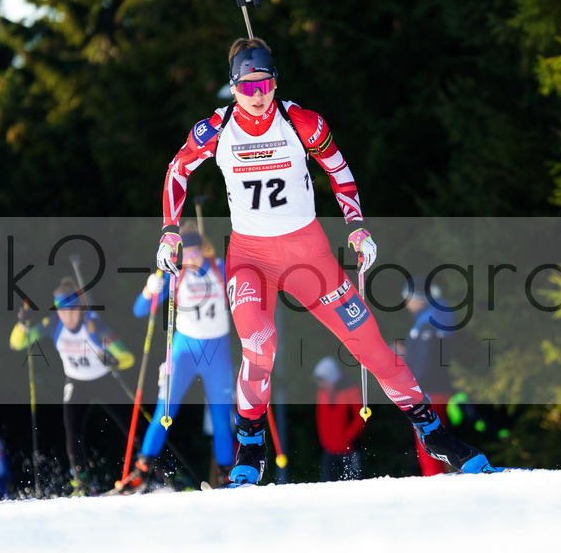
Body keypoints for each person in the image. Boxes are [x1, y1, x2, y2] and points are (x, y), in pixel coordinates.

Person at [156, 37, 497, 485]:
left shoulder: (302, 122)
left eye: (265, 84)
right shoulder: (216, 130)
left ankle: (432, 432)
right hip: (251, 258)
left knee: (369, 343)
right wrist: (169, 230)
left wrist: (356, 226)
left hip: (309, 254)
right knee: (260, 341)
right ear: (234, 87)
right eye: (248, 86)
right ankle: (251, 444)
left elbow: (339, 171)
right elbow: (177, 169)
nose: (258, 96)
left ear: (275, 83)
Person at [125, 221, 235, 491]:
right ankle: (142, 471)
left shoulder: (220, 269)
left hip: (216, 352)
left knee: (222, 418)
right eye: (186, 254)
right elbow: (140, 310)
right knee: (165, 411)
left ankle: (227, 476)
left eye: (196, 252)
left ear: (204, 249)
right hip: (184, 351)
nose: (192, 259)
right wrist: (149, 289)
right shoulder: (175, 275)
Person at [9, 277, 136, 495]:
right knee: (71, 429)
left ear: (80, 308)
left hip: (103, 379)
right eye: (62, 310)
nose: (67, 316)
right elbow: (17, 343)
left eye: (71, 310)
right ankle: (81, 483)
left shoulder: (94, 325)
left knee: (131, 424)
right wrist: (23, 324)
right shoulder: (53, 324)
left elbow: (127, 358)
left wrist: (112, 359)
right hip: (76, 382)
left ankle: (160, 473)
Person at [400, 277, 458, 476]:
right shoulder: (436, 318)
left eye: (408, 298)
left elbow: (426, 362)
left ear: (419, 298)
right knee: (437, 437)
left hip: (430, 391)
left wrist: (414, 391)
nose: (406, 303)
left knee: (428, 438)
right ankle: (441, 476)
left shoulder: (427, 323)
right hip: (439, 389)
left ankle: (434, 479)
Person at [313, 357, 365, 482]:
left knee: (354, 485)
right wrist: (325, 440)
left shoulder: (351, 390)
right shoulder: (322, 393)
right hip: (329, 450)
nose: (322, 384)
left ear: (332, 377)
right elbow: (321, 418)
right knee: (327, 486)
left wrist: (347, 438)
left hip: (349, 449)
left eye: (324, 380)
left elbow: (360, 417)